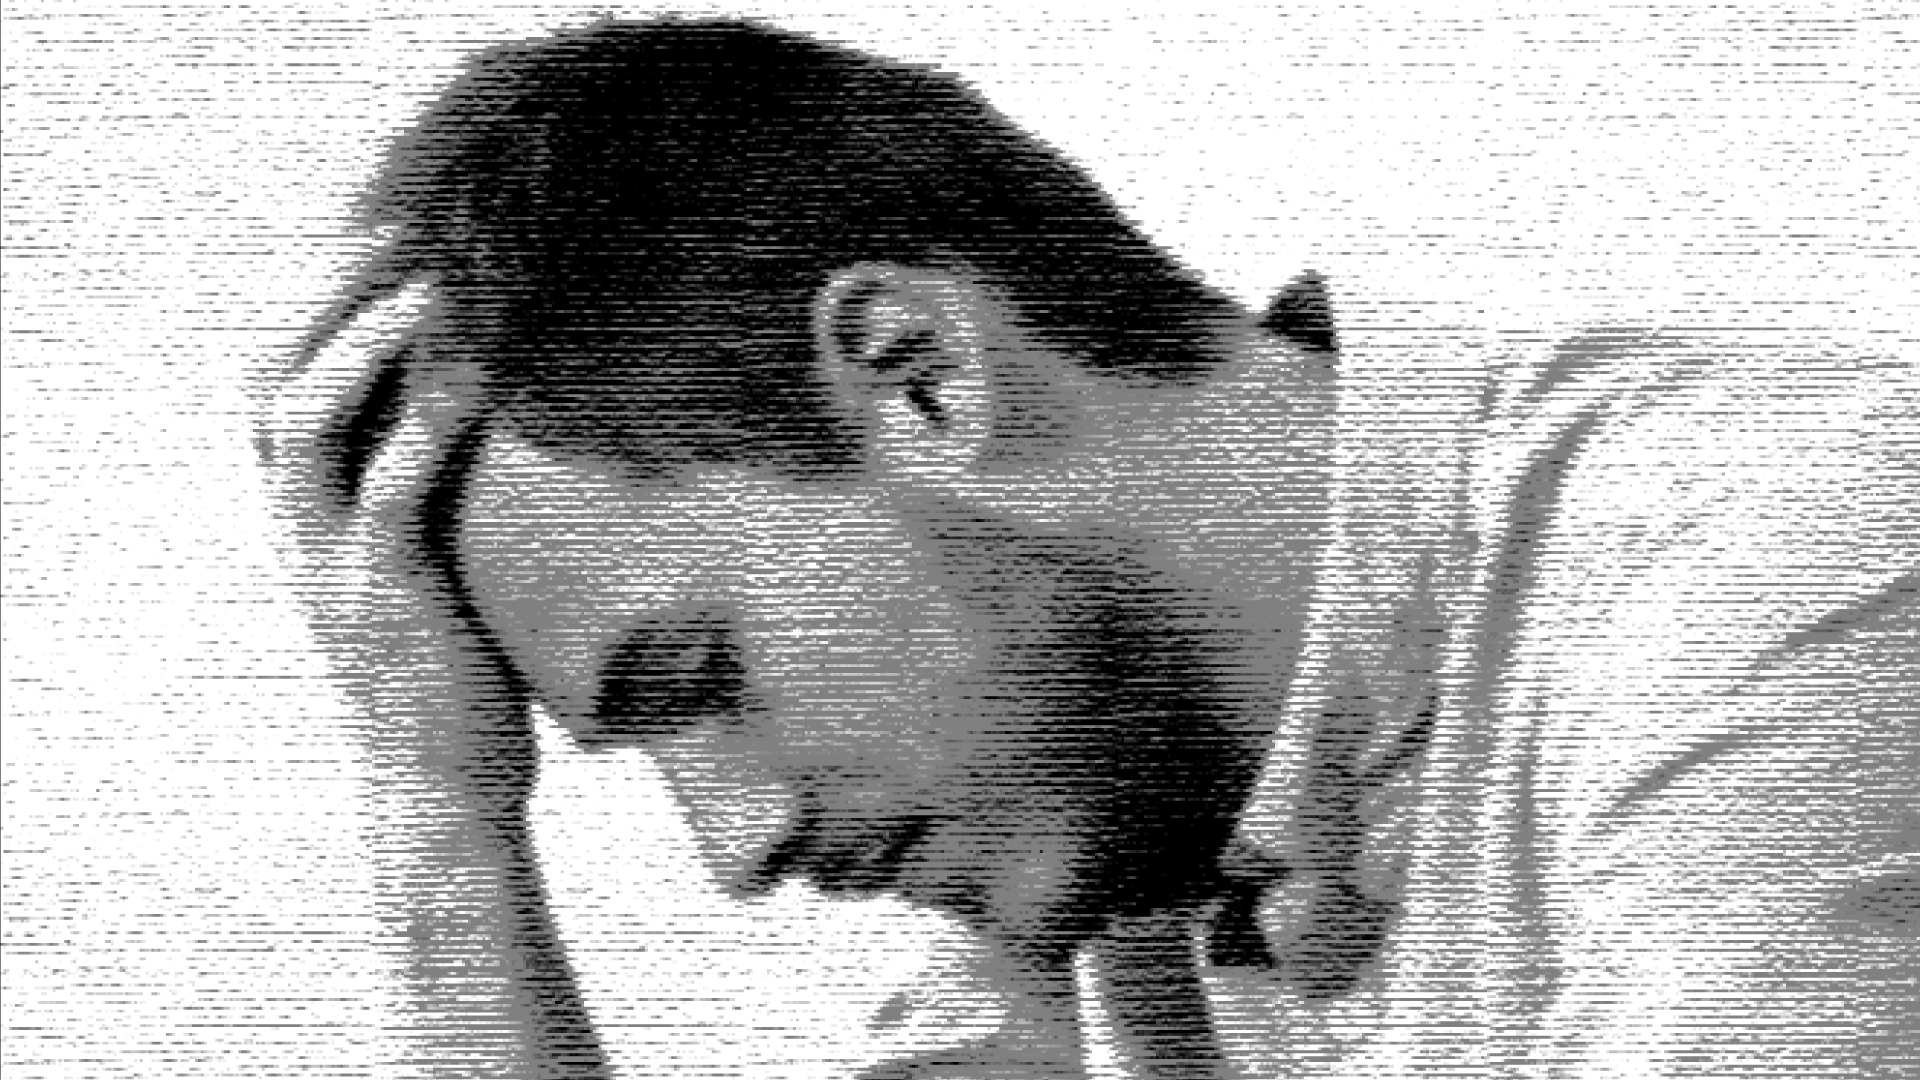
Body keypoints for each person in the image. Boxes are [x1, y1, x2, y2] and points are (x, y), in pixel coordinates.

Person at [260, 15, 1917, 1080]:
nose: (740, 849)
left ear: (922, 374)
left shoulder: (1779, 565)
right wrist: (442, 822)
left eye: (702, 678)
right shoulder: (1128, 804)